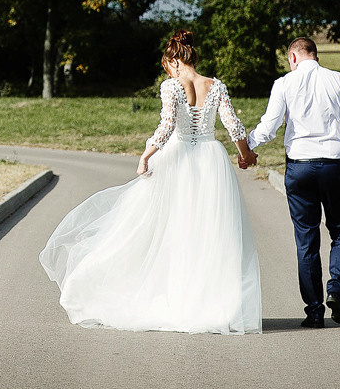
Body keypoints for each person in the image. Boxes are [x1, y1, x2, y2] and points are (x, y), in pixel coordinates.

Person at [37, 28, 262, 334]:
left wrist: (146, 154)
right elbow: (233, 126)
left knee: (173, 230)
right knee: (211, 232)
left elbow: (168, 126)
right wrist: (245, 154)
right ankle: (213, 307)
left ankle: (180, 301)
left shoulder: (171, 87)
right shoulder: (216, 86)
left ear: (173, 62)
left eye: (166, 67)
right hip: (211, 160)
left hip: (181, 158)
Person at [235, 36, 340, 328]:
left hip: (299, 170)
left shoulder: (284, 84)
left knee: (306, 240)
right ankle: (335, 289)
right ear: (316, 56)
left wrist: (246, 148)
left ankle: (314, 312)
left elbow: (270, 125)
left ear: (294, 58)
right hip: (335, 168)